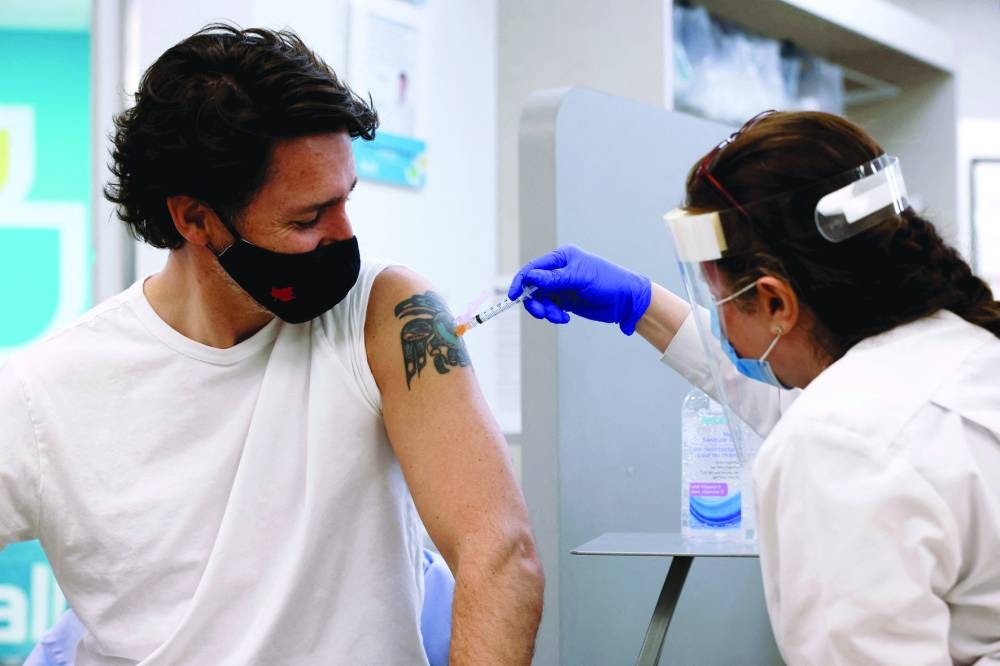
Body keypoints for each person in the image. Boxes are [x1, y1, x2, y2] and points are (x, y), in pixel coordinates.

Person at [0, 24, 543, 664]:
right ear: (194, 217)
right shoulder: (46, 393)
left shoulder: (384, 319)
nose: (344, 235)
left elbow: (501, 554)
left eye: (345, 200)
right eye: (307, 218)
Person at [509, 111, 1000, 664]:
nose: (719, 318)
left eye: (717, 297)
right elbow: (801, 391)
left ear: (774, 303)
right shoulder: (967, 350)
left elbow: (833, 425)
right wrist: (639, 303)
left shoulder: (841, 443)